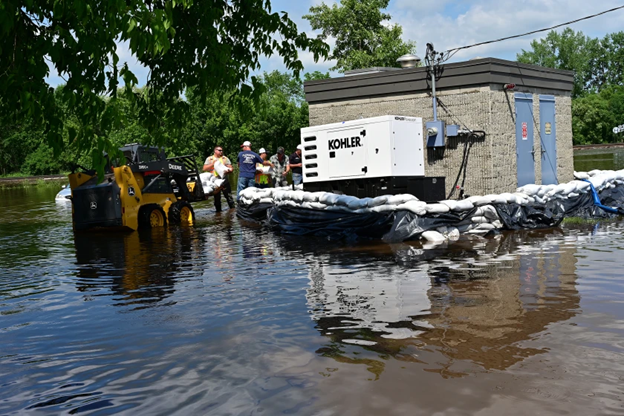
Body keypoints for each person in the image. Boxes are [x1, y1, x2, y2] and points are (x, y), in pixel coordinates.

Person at [203, 145, 235, 212]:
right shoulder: (209, 159)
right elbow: (204, 168)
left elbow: (231, 168)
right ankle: (218, 213)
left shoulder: (225, 159)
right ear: (215, 151)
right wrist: (212, 164)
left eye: (222, 150)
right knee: (217, 199)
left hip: (224, 181)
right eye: (219, 150)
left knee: (229, 197)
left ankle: (232, 211)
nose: (221, 152)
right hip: (215, 182)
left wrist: (229, 170)